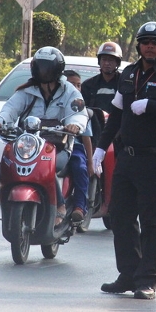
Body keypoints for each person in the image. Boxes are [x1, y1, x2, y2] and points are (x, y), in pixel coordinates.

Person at [92, 21, 156, 300]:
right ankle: (128, 274)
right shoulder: (129, 74)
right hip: (126, 157)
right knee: (120, 218)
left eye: (155, 42)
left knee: (151, 222)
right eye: (145, 42)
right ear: (138, 45)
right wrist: (101, 148)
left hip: (153, 159)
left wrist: (152, 106)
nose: (150, 46)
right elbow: (117, 116)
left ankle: (147, 280)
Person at [0, 47, 88, 224]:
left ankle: (60, 205)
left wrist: (75, 124)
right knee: (8, 159)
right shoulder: (27, 91)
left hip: (59, 145)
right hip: (29, 145)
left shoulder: (69, 91)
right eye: (40, 66)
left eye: (47, 67)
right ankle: (3, 194)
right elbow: (10, 109)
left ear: (57, 69)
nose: (43, 71)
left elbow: (79, 111)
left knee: (49, 165)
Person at [62, 69, 94, 224]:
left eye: (78, 85)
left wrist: (90, 161)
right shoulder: (55, 101)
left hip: (74, 146)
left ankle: (79, 207)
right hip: (50, 146)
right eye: (71, 84)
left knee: (80, 168)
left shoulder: (80, 107)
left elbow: (86, 136)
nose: (75, 88)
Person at [81, 42, 123, 114]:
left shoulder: (124, 83)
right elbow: (82, 111)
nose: (106, 63)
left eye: (110, 60)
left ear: (117, 62)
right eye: (104, 59)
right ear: (99, 61)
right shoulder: (88, 85)